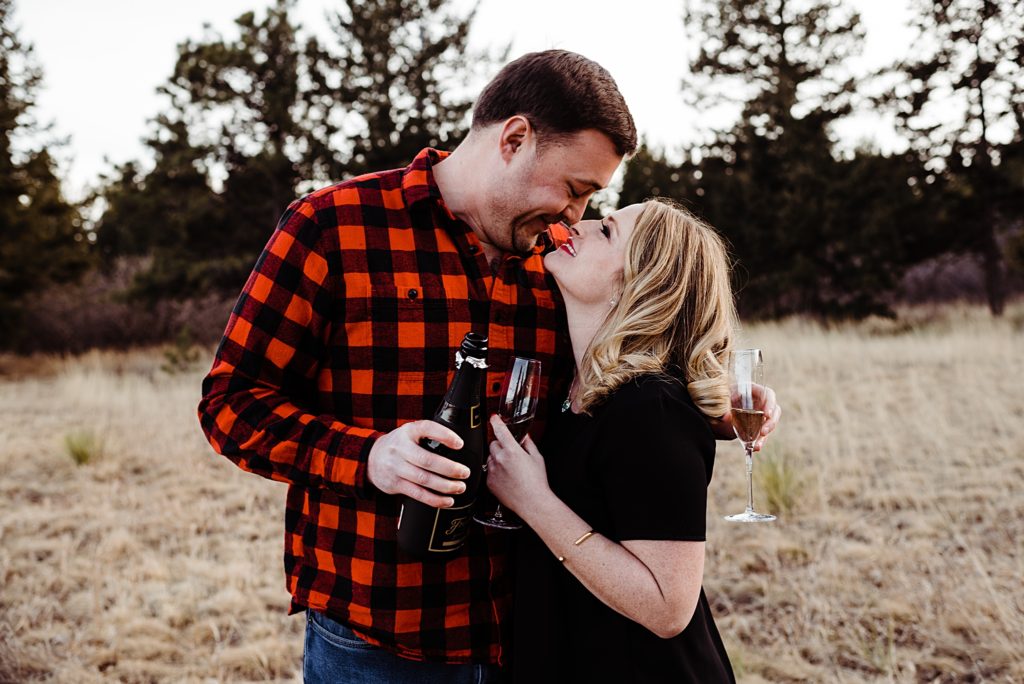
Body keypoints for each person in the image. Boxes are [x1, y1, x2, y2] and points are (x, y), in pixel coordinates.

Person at [198, 50, 778, 682]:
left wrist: (715, 406)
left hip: (535, 634)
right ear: (515, 138)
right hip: (381, 637)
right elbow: (231, 403)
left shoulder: (557, 262)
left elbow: (624, 370)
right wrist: (371, 457)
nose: (574, 218)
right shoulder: (333, 226)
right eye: (574, 189)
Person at [485, 199, 747, 682]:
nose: (575, 226)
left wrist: (532, 500)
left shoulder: (651, 409)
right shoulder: (573, 387)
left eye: (605, 231)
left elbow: (669, 608)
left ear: (641, 286)